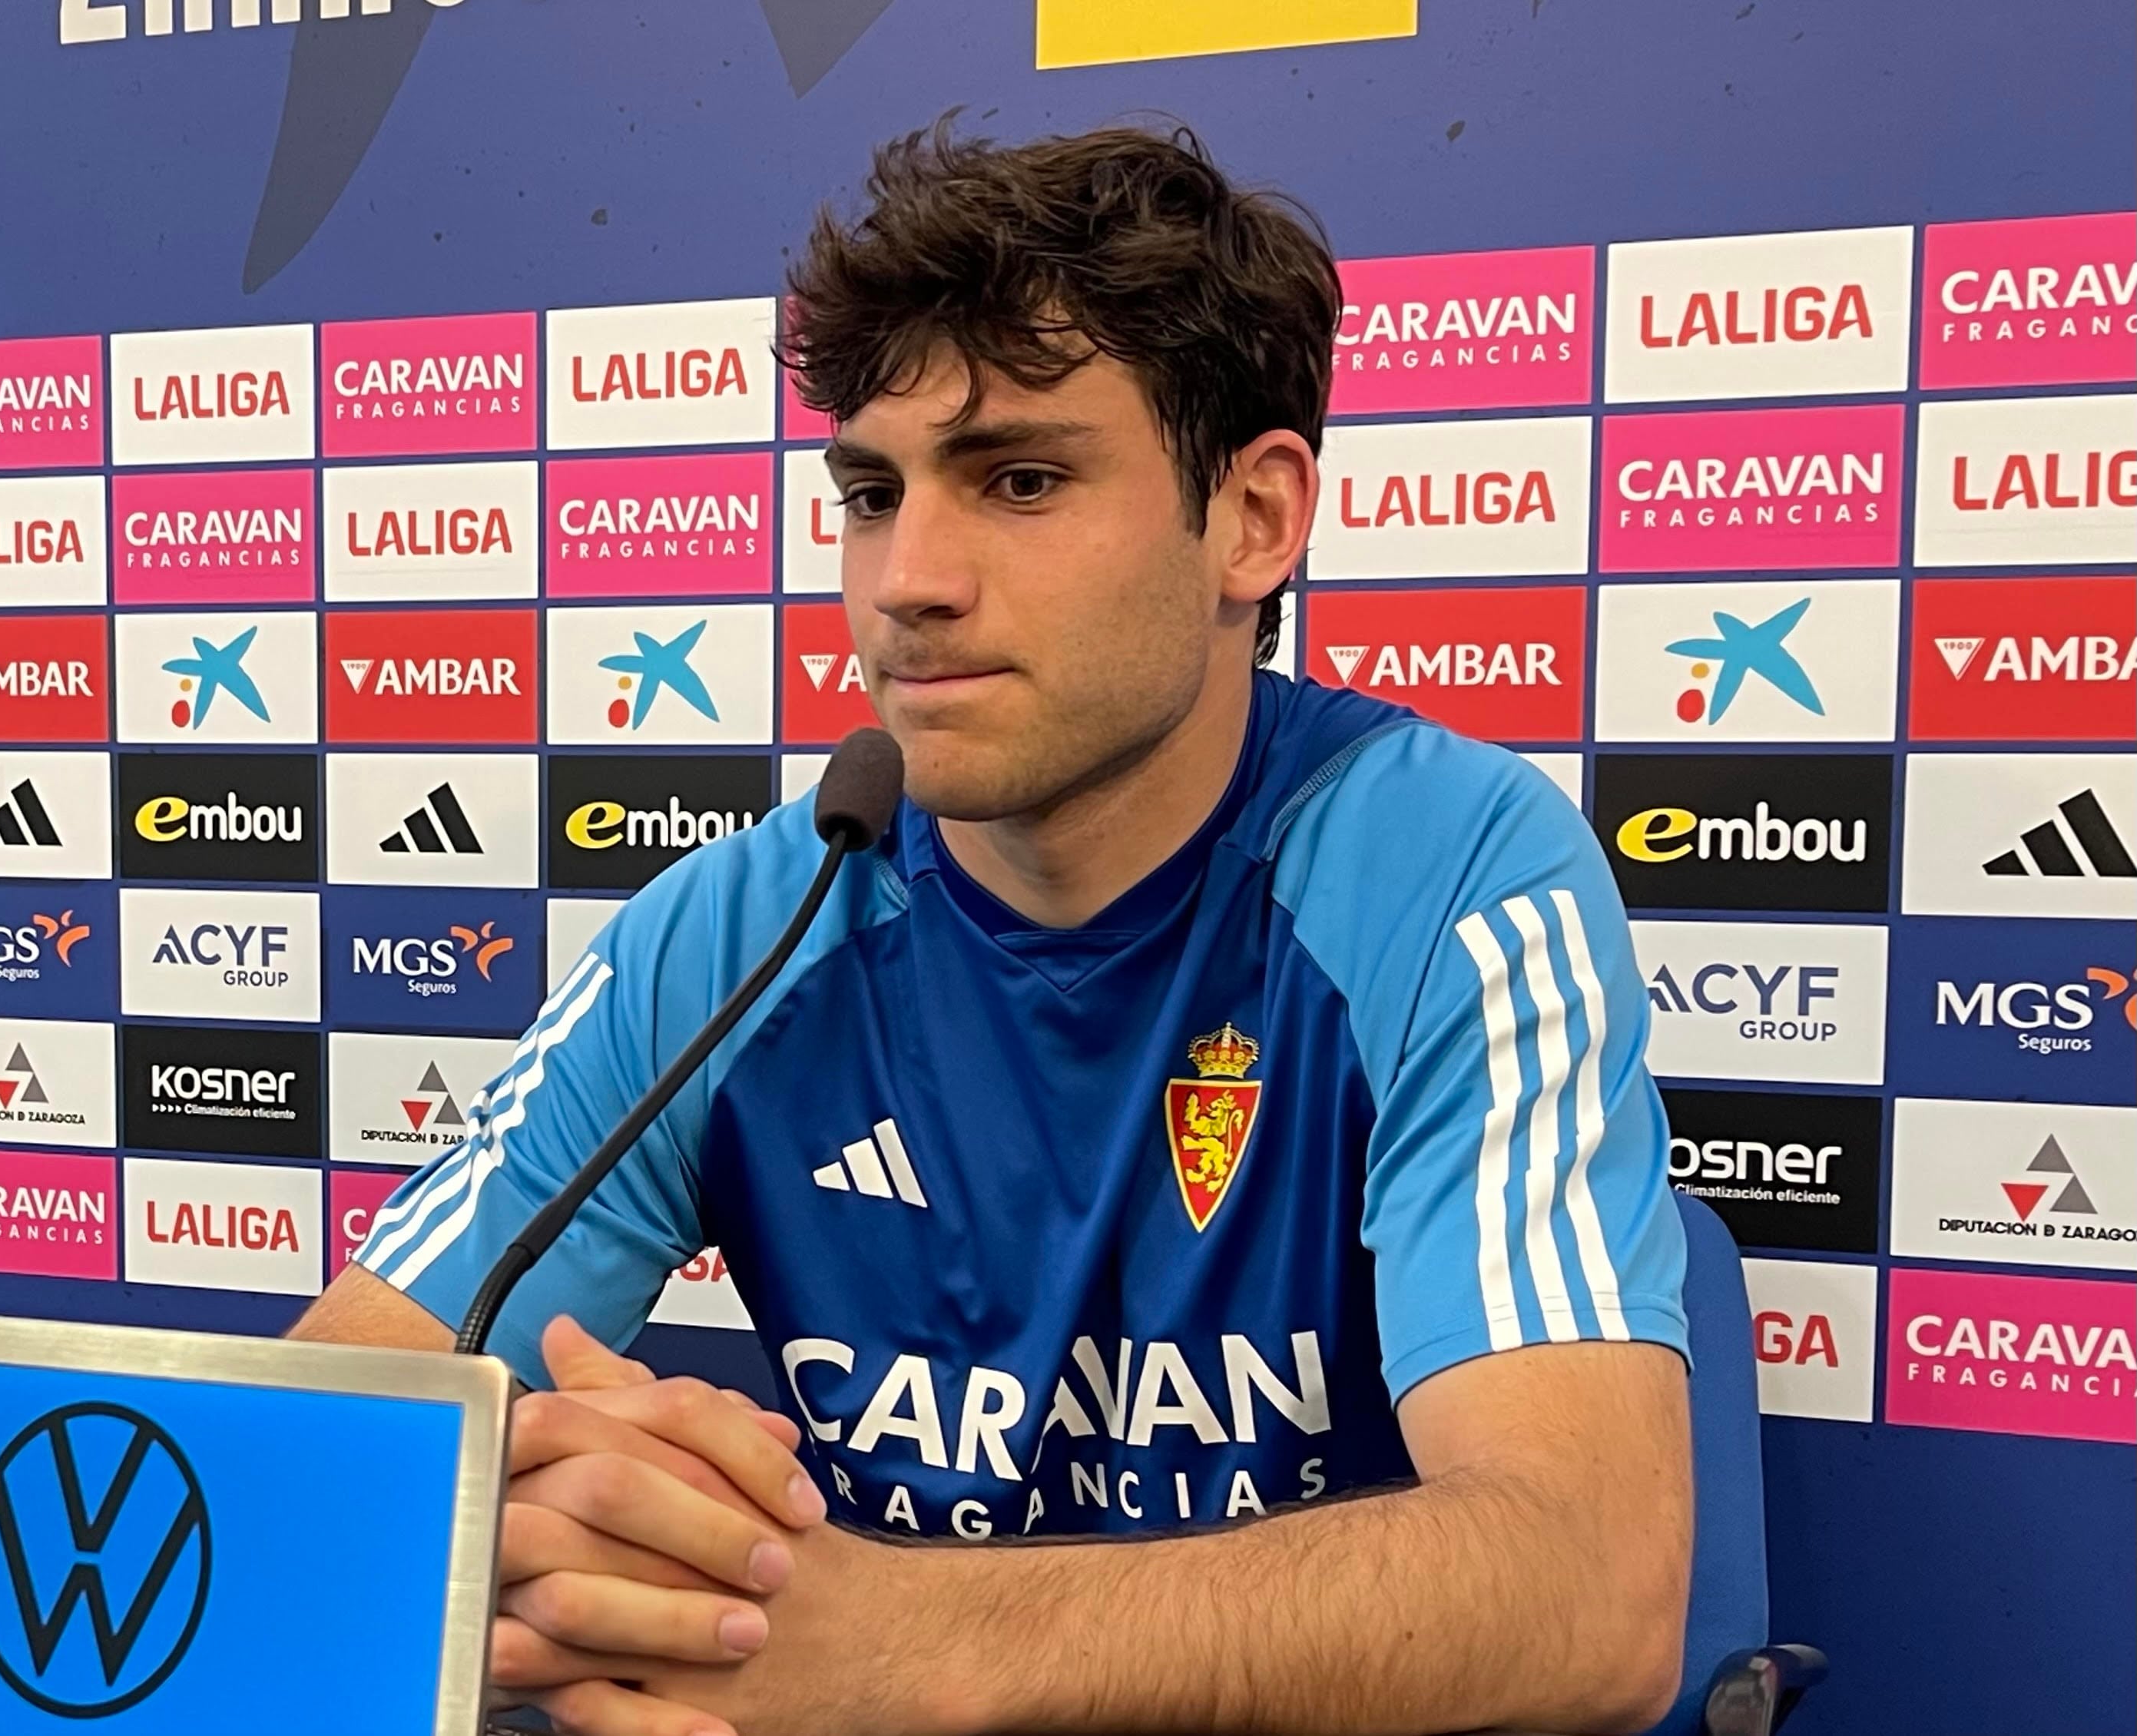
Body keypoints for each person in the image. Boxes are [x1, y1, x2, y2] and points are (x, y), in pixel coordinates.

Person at [293, 119, 1701, 1736]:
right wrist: (540, 1529)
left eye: (1020, 478)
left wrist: (908, 1640)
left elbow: (1589, 1587)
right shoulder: (744, 923)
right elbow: (343, 1444)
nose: (910, 579)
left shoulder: (1448, 868)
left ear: (1252, 517)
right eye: (869, 492)